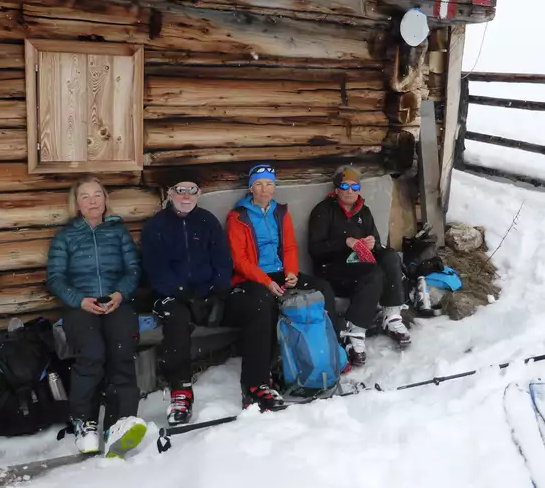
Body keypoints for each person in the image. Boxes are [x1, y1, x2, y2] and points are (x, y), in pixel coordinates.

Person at [46, 175, 146, 457]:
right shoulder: (66, 236)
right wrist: (80, 300)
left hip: (116, 303)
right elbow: (55, 277)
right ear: (77, 204)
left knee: (122, 353)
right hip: (81, 307)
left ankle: (121, 423)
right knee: (91, 354)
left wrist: (120, 294)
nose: (92, 201)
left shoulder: (118, 232)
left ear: (105, 201)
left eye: (97, 195)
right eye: (85, 197)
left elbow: (133, 270)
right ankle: (85, 423)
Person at [226, 164, 340, 408]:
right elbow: (240, 260)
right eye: (259, 184)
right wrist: (266, 282)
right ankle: (257, 382)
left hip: (280, 273)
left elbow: (289, 247)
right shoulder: (238, 217)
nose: (265, 189)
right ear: (250, 188)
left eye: (269, 184)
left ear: (275, 186)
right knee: (263, 306)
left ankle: (329, 357)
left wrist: (290, 273)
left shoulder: (281, 212)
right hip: (251, 279)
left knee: (322, 290)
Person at [141, 181, 232, 426]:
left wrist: (215, 292)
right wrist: (185, 295)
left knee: (257, 303)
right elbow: (156, 271)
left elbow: (223, 261)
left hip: (207, 293)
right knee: (176, 318)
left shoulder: (207, 221)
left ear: (199, 194)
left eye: (192, 190)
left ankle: (258, 383)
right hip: (172, 295)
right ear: (169, 193)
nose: (186, 196)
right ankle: (180, 392)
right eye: (179, 190)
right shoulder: (156, 226)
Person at [308, 165, 411, 366]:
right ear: (336, 188)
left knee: (390, 257)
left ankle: (391, 316)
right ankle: (354, 329)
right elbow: (315, 249)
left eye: (354, 187)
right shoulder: (323, 211)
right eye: (345, 186)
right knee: (373, 273)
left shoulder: (364, 211)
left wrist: (373, 245)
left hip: (358, 264)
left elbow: (378, 244)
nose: (349, 191)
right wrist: (344, 242)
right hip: (331, 269)